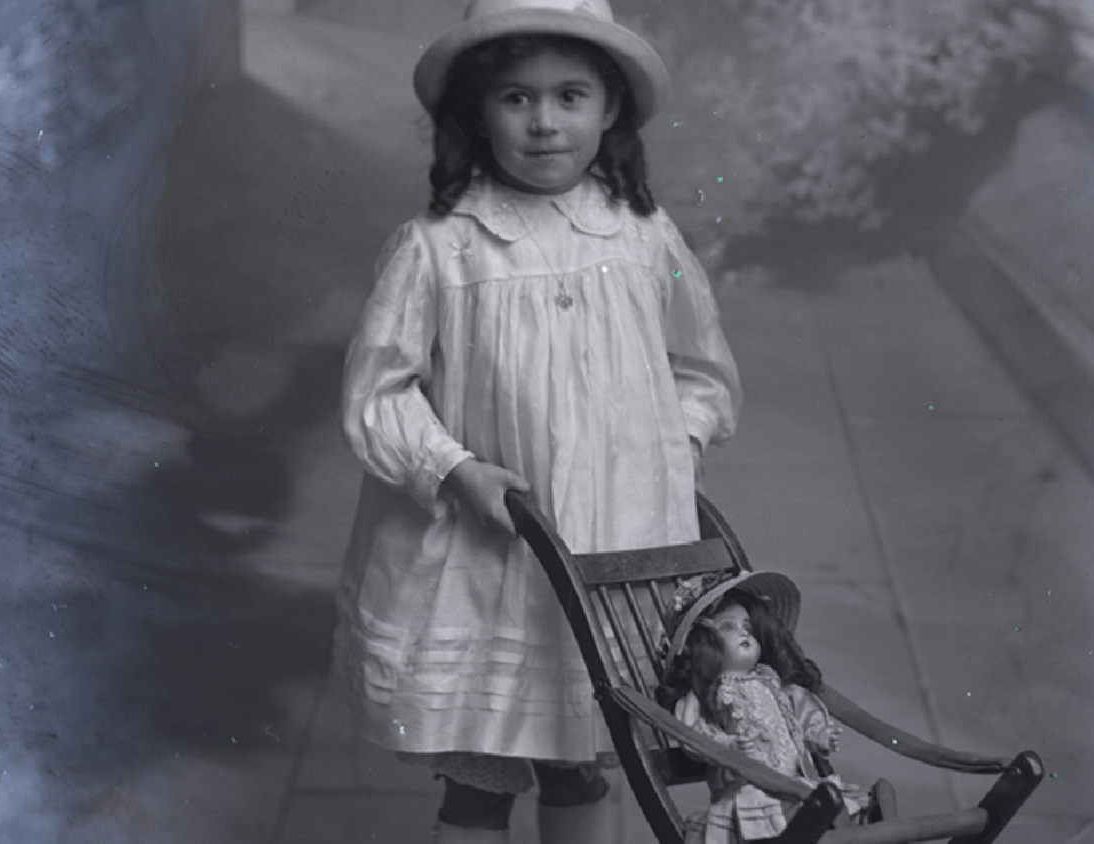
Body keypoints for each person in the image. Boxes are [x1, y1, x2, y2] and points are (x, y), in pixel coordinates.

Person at [334, 1, 741, 841]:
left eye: (570, 96)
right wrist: (452, 467)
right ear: (478, 112)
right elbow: (378, 391)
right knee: (484, 770)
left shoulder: (640, 235)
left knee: (584, 753)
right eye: (517, 98)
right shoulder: (441, 247)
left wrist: (677, 445)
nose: (546, 123)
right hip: (490, 551)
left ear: (611, 108)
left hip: (613, 546)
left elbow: (699, 369)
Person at [655, 571, 867, 843]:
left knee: (822, 803)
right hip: (745, 791)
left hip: (792, 784)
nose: (744, 632)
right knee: (806, 810)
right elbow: (690, 735)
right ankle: (838, 822)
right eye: (729, 627)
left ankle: (855, 817)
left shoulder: (773, 684)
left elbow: (801, 711)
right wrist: (728, 746)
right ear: (701, 643)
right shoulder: (704, 694)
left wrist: (818, 734)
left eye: (749, 628)